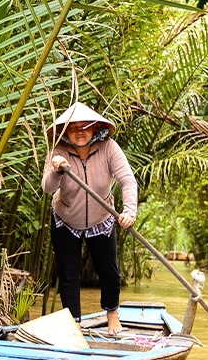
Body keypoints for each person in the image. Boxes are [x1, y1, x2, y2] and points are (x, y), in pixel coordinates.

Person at [41, 102, 137, 335]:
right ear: (65, 131)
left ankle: (112, 314)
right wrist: (56, 170)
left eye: (86, 126)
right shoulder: (58, 151)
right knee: (68, 272)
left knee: (109, 270)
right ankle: (74, 324)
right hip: (65, 218)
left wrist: (129, 211)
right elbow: (46, 187)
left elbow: (127, 180)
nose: (80, 131)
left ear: (96, 129)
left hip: (101, 218)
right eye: (73, 127)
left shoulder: (109, 148)